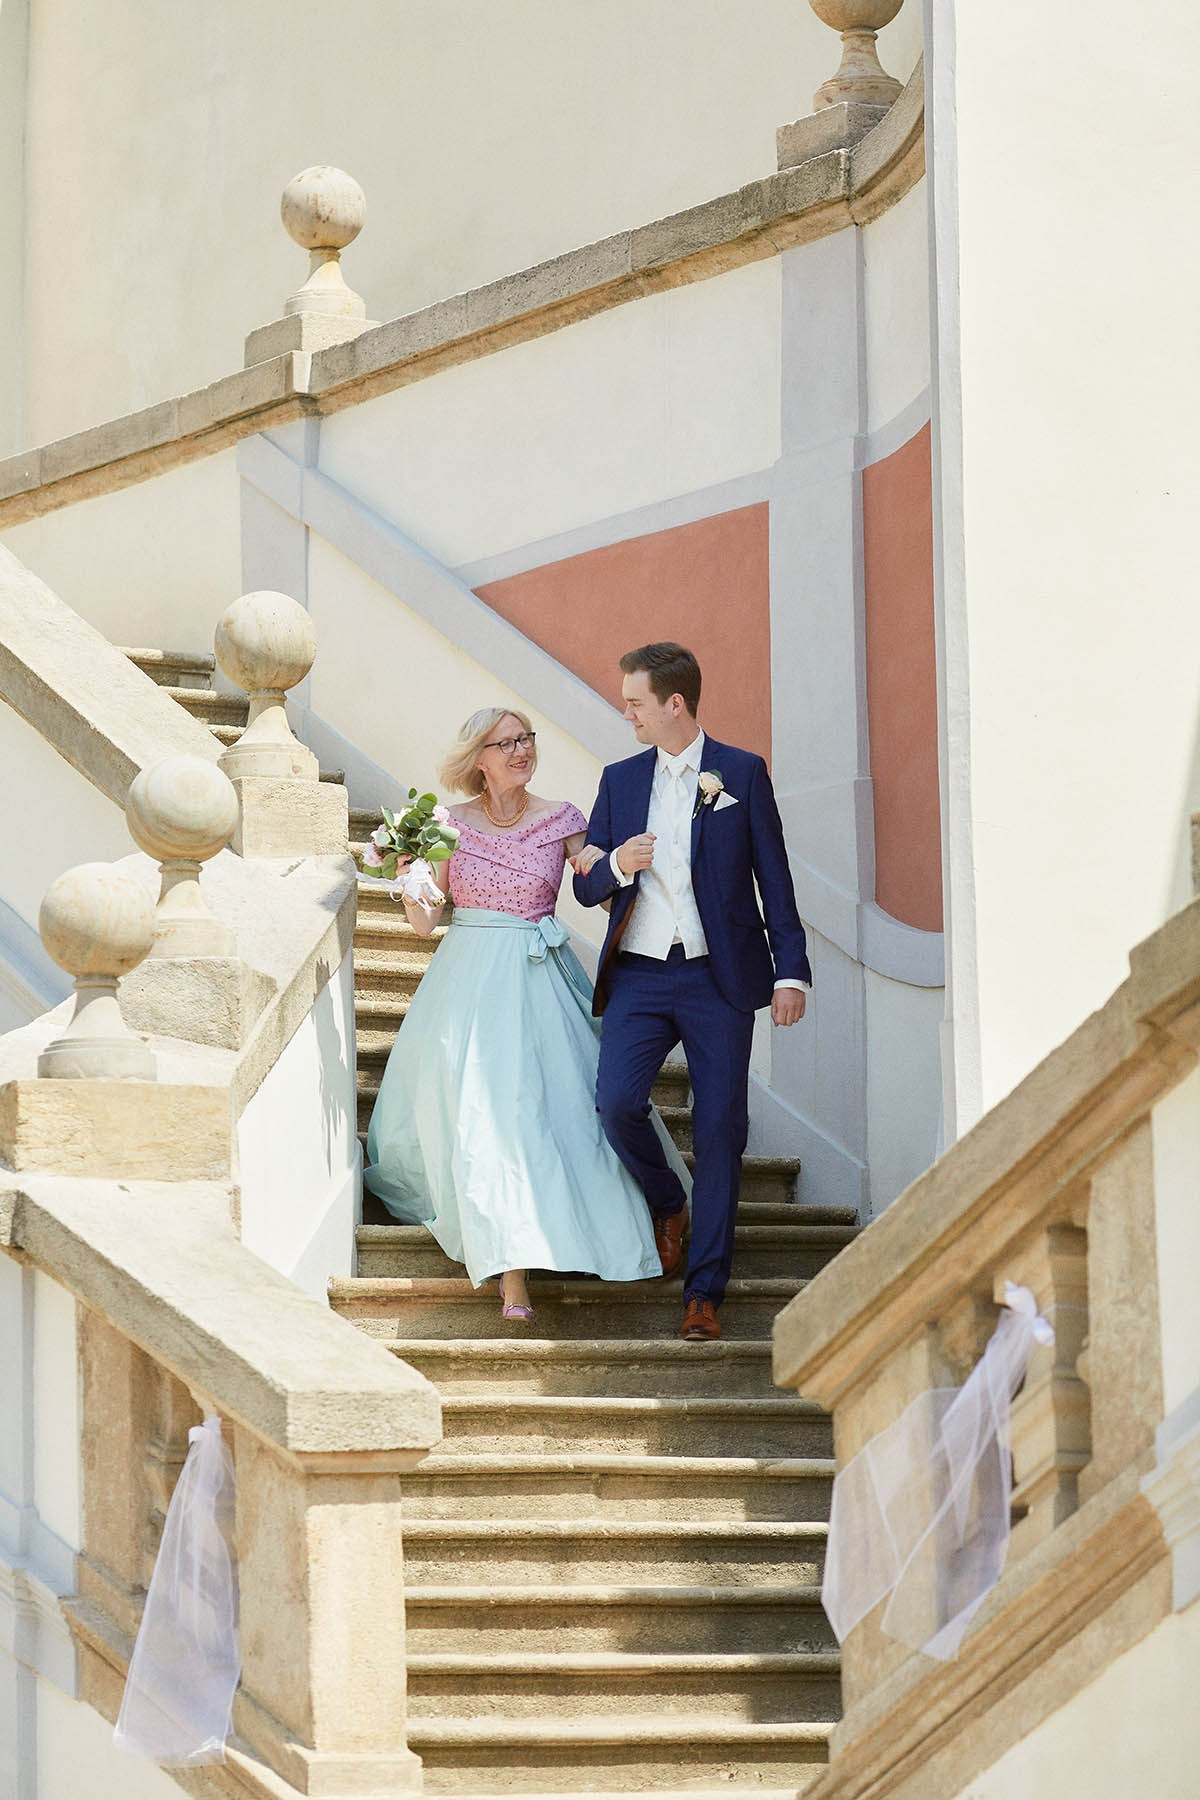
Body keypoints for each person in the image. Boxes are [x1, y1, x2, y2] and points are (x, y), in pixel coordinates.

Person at [363, 705, 667, 1320]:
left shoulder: (561, 819)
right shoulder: (446, 824)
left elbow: (594, 881)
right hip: (469, 982)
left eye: (526, 739)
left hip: (539, 978)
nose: (520, 751)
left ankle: (568, 1235)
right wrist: (410, 872)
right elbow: (424, 922)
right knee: (487, 1116)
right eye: (505, 744)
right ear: (479, 758)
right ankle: (511, 1275)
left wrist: (614, 866)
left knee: (546, 1114)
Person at [573, 643, 811, 1342]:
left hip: (719, 977)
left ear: (675, 704)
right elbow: (587, 883)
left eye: (636, 703)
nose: (628, 714)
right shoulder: (618, 781)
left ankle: (703, 1293)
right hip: (642, 974)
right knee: (616, 1102)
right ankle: (668, 1200)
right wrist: (618, 862)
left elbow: (774, 875)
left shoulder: (739, 773)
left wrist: (790, 970)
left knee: (720, 1131)